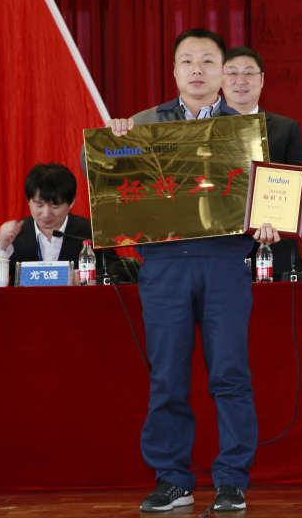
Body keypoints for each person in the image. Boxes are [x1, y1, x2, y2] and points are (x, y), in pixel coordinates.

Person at [106, 28, 278, 513]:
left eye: (207, 61)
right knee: (167, 377)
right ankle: (172, 479)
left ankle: (232, 480)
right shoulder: (143, 124)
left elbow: (271, 194)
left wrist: (270, 220)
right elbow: (99, 168)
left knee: (231, 374)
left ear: (222, 71)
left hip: (225, 261)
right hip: (164, 264)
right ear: (175, 71)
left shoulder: (247, 130)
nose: (197, 70)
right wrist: (111, 140)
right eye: (187, 61)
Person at [222, 46, 302, 278]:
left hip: (274, 243)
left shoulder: (286, 128)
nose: (241, 80)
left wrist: (277, 221)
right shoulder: (204, 130)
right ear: (221, 80)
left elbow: (297, 187)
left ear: (261, 80)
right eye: (232, 73)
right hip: (220, 248)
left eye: (249, 73)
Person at [0, 163, 114, 286]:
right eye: (39, 205)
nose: (46, 213)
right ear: (28, 201)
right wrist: (1, 247)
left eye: (55, 206)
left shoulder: (90, 231)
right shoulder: (16, 234)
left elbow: (118, 275)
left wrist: (86, 278)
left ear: (71, 203)